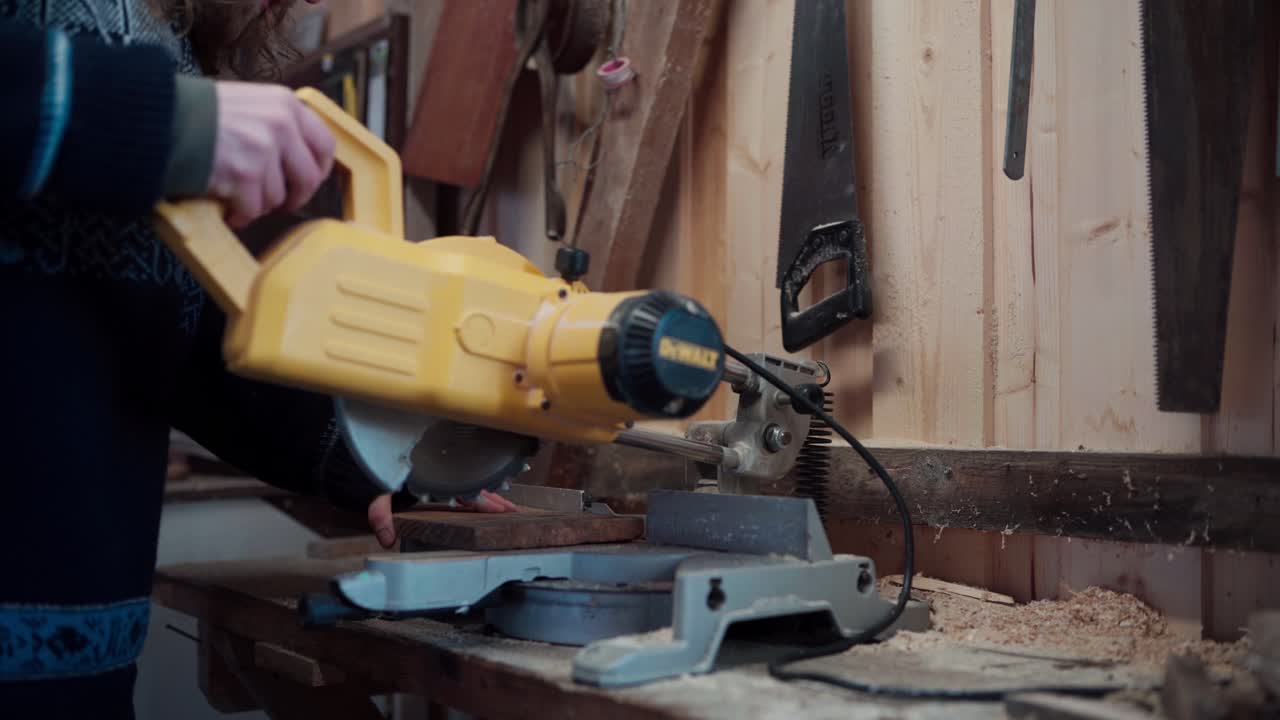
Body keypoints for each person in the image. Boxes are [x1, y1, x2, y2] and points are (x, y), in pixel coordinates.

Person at [0, 2, 513, 717]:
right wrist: (163, 119)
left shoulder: (154, 33)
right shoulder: (137, 71)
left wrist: (374, 451)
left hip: (75, 679)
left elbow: (163, 326)